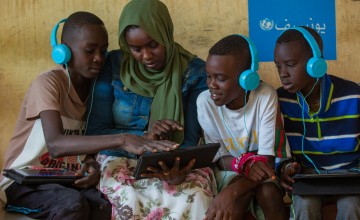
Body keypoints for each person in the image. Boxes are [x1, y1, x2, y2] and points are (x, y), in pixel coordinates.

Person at [0, 11, 178, 220]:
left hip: (65, 179)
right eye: (90, 51)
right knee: (72, 206)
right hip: (24, 182)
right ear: (64, 51)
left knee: (106, 206)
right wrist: (123, 139)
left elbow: (89, 141)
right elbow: (56, 144)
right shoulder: (49, 83)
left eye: (103, 51)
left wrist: (91, 163)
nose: (99, 59)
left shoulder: (97, 91)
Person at [86, 0, 216, 219]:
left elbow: (190, 140)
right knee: (128, 198)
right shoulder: (113, 65)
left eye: (153, 45)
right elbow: (95, 131)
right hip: (118, 157)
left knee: (195, 197)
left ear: (166, 34)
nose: (146, 56)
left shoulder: (194, 72)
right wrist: (144, 138)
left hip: (169, 162)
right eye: (136, 49)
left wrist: (172, 164)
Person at [197, 34, 290, 220]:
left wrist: (231, 192)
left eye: (220, 78)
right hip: (228, 170)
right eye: (208, 76)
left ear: (247, 79)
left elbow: (267, 161)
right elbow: (219, 157)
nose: (211, 85)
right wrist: (244, 165)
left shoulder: (265, 96)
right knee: (238, 188)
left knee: (267, 193)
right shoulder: (205, 102)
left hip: (267, 171)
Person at [275, 26, 360, 219]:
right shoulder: (280, 101)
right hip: (308, 178)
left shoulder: (354, 95)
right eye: (278, 66)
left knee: (352, 204)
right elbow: (279, 150)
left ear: (316, 63)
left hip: (351, 177)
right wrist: (286, 168)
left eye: (290, 64)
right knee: (304, 204)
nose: (283, 73)